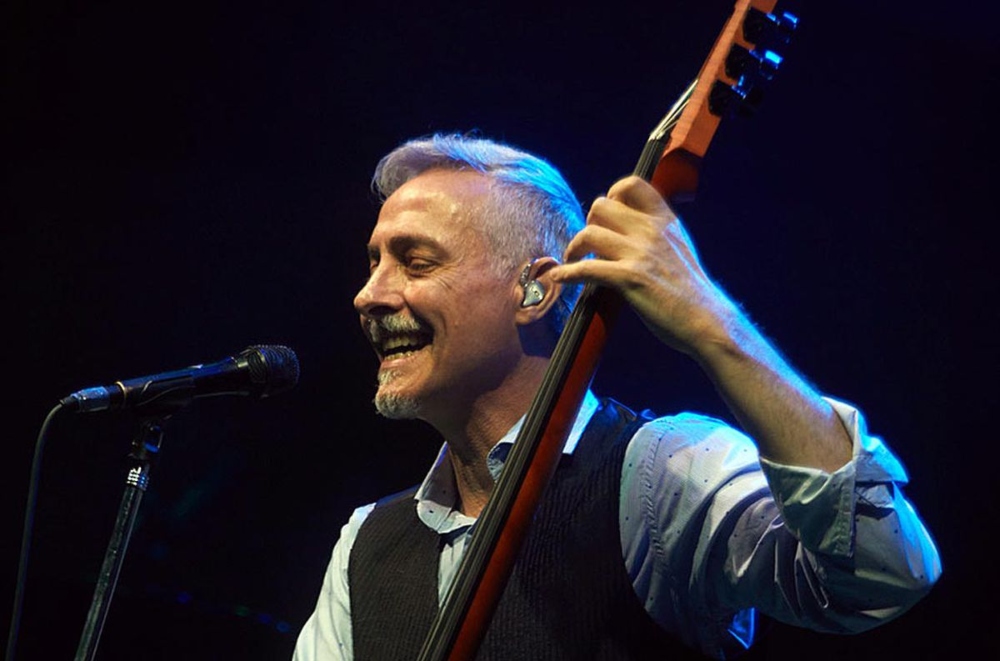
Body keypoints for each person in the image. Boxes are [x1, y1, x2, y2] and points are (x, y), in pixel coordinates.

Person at [292, 132, 941, 660]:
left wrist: (715, 324)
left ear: (536, 290)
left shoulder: (665, 472)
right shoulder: (365, 542)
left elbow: (883, 572)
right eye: (374, 261)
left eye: (416, 261)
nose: (369, 295)